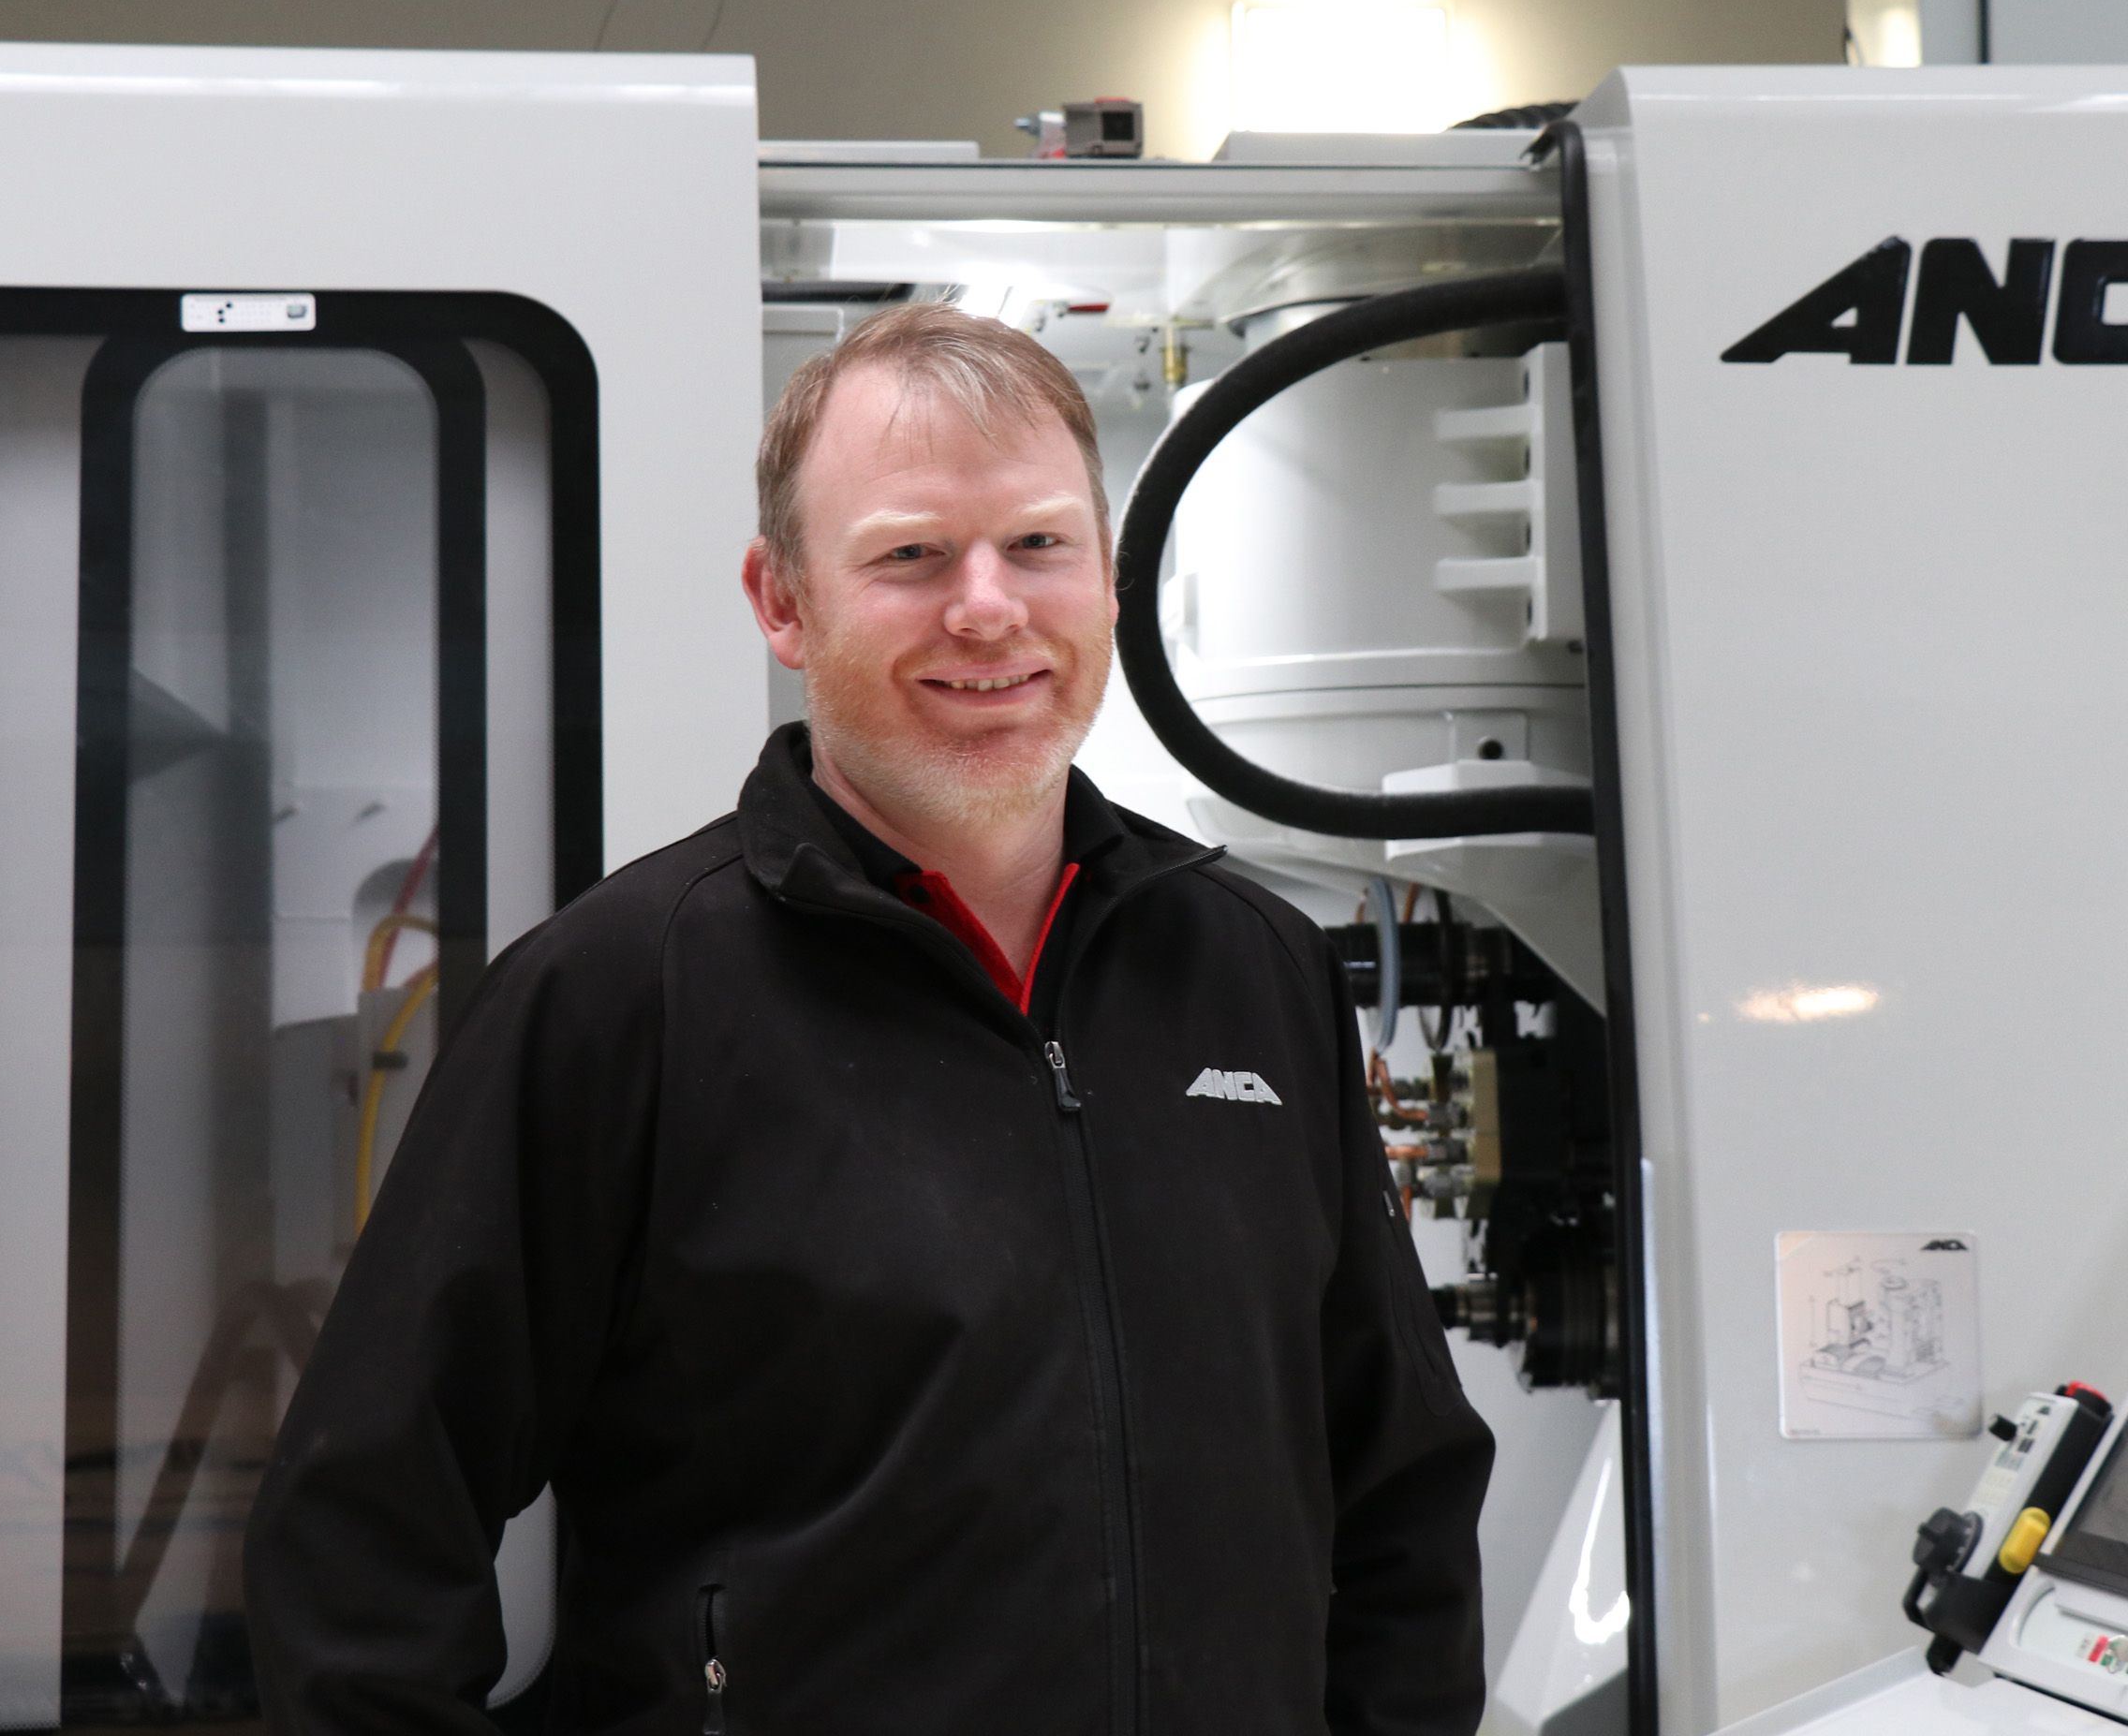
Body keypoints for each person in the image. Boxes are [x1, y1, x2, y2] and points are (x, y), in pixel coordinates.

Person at [245, 302, 1494, 1736]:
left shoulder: (1255, 973)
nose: (988, 608)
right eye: (912, 556)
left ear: (1107, 578)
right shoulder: (619, 997)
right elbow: (359, 1549)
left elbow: (1401, 1494)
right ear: (781, 601)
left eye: (1039, 545)